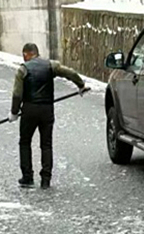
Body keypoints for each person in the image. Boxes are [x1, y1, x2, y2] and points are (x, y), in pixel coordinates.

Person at [9, 43, 88, 189]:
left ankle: (27, 177)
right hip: (47, 109)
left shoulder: (23, 69)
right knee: (46, 144)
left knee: (25, 142)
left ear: (27, 54)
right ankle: (46, 180)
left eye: (23, 55)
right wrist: (81, 85)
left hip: (29, 110)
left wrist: (14, 112)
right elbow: (70, 73)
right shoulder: (51, 66)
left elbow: (17, 94)